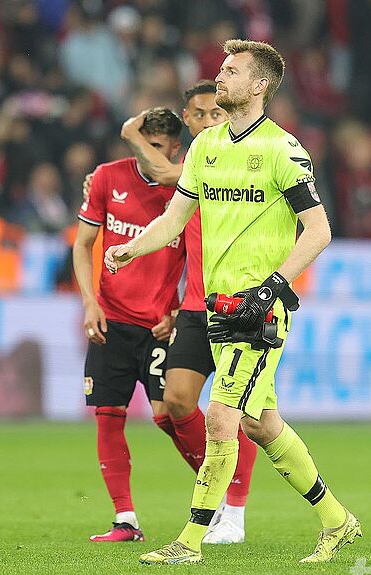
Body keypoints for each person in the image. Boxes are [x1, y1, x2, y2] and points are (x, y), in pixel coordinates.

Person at [105, 40, 360, 565]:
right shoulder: (206, 147)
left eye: (232, 71)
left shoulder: (282, 150)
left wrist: (272, 287)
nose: (219, 77)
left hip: (259, 311)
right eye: (220, 69)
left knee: (221, 417)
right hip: (215, 309)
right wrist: (132, 248)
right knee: (260, 423)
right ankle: (337, 521)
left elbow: (318, 230)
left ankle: (189, 542)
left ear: (259, 85)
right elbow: (175, 219)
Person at [117, 81, 257, 544]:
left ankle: (233, 513)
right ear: (188, 119)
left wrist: (132, 135)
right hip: (196, 306)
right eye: (200, 114)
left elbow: (160, 172)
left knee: (246, 415)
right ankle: (218, 492)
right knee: (176, 401)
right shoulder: (197, 163)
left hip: (240, 305)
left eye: (218, 112)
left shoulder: (237, 158)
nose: (210, 120)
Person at [73, 108, 186, 542]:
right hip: (111, 319)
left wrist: (178, 312)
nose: (147, 156)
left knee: (167, 415)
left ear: (174, 149)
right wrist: (90, 302)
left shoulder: (190, 190)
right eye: (142, 145)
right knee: (108, 415)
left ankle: (221, 502)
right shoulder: (107, 178)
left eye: (156, 148)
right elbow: (83, 245)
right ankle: (125, 519)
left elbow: (201, 258)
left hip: (159, 325)